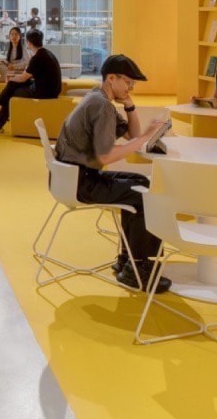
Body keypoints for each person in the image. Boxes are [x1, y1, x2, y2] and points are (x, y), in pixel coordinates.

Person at [54, 55, 171, 293]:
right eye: (127, 82)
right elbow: (106, 156)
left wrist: (129, 105)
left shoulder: (97, 98)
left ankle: (128, 259)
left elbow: (131, 135)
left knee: (141, 182)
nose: (131, 87)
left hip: (73, 177)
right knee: (144, 194)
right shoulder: (102, 106)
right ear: (111, 78)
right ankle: (138, 268)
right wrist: (145, 137)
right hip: (81, 183)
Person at [0, 30, 62, 132]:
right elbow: (28, 75)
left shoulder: (37, 58)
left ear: (29, 42)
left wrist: (10, 78)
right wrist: (12, 79)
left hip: (45, 92)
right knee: (13, 84)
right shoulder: (47, 53)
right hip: (51, 89)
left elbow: (23, 78)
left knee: (12, 92)